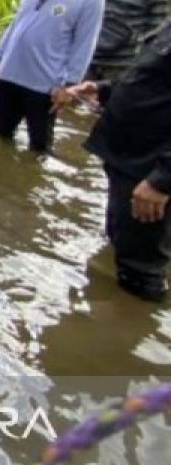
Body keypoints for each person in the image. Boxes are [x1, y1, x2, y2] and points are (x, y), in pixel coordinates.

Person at [64, 19, 171, 302]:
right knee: (120, 239)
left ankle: (130, 329)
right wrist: (105, 89)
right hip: (129, 158)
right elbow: (151, 77)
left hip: (151, 169)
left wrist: (163, 181)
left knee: (141, 267)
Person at [0, 0, 105, 153]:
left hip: (45, 85)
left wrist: (69, 85)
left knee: (39, 145)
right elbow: (15, 26)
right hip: (9, 76)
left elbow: (85, 44)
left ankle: (31, 183)